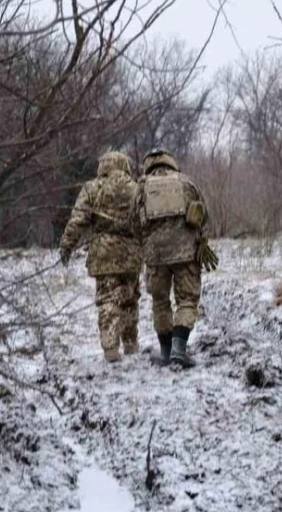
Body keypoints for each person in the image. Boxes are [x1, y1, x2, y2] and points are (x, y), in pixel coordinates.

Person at [132, 148, 216, 368]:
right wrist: (202, 241)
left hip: (155, 256)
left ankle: (166, 351)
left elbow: (132, 222)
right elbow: (203, 214)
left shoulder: (140, 187)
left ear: (148, 165)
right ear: (171, 163)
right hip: (186, 254)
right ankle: (180, 349)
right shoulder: (187, 183)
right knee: (187, 300)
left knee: (160, 302)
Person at [59, 151, 142, 363]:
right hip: (132, 253)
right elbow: (146, 220)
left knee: (108, 299)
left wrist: (67, 245)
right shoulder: (136, 188)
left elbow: (78, 220)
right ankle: (131, 342)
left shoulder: (92, 188)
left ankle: (110, 347)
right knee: (130, 297)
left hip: (104, 254)